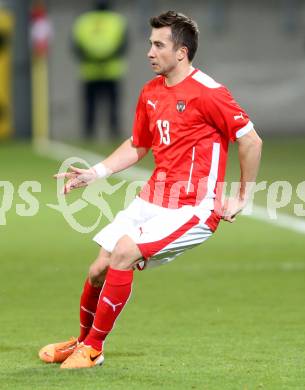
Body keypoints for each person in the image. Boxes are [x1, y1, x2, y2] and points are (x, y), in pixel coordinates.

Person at [39, 10, 262, 369]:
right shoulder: (150, 92)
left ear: (181, 52)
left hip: (193, 208)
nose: (149, 52)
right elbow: (139, 144)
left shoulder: (210, 94)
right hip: (153, 198)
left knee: (124, 253)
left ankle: (94, 349)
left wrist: (241, 197)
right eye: (150, 43)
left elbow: (250, 140)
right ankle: (80, 341)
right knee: (98, 267)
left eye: (159, 44)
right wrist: (95, 173)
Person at [72, 0, 128, 139]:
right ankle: (114, 132)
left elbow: (76, 46)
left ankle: (89, 134)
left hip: (90, 70)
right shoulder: (117, 20)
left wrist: (91, 57)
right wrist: (107, 57)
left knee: (90, 105)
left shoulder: (83, 21)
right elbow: (124, 45)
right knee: (112, 105)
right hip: (111, 70)